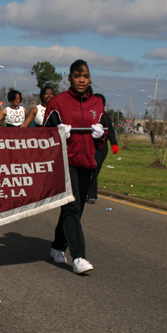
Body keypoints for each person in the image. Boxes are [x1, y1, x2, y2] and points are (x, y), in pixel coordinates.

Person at [43, 59, 106, 274]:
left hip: (88, 162)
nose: (82, 80)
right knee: (73, 207)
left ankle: (57, 246)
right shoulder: (58, 102)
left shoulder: (97, 103)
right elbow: (44, 134)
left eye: (86, 76)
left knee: (75, 211)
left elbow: (102, 136)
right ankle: (79, 256)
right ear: (69, 78)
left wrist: (101, 135)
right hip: (65, 161)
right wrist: (58, 133)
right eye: (78, 76)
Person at [87, 94, 119, 204]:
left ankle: (90, 194)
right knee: (90, 170)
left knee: (95, 170)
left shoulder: (105, 116)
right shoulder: (87, 114)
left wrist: (114, 143)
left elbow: (110, 130)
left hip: (101, 148)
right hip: (89, 146)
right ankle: (88, 193)